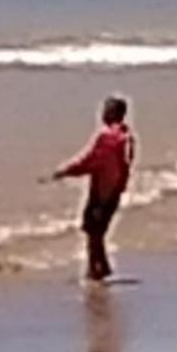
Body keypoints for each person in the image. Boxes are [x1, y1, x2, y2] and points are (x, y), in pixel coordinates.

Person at [52, 96, 136, 282]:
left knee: (92, 230)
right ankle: (101, 267)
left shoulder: (107, 137)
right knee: (97, 230)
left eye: (105, 110)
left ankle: (94, 270)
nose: (102, 114)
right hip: (115, 190)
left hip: (102, 190)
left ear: (112, 113)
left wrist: (65, 171)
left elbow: (90, 161)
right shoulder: (127, 137)